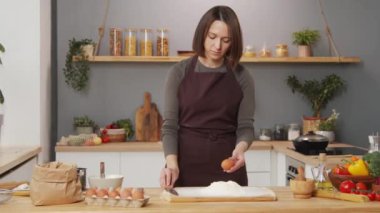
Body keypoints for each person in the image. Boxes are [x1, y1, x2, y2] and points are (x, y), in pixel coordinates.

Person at [160, 5, 255, 189]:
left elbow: (246, 127)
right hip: (184, 168)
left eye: (226, 40)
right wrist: (172, 165)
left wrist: (240, 150)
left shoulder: (242, 76)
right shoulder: (179, 72)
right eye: (212, 37)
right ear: (202, 33)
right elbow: (169, 127)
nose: (218, 46)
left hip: (228, 170)